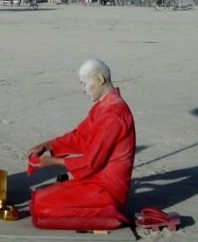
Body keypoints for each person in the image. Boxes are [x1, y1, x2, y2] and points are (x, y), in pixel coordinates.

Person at [27, 59, 135, 229]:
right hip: (95, 181)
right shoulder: (103, 107)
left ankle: (108, 213)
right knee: (37, 199)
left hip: (107, 189)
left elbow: (92, 162)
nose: (83, 90)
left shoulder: (114, 115)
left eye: (85, 84)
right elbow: (80, 137)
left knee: (43, 208)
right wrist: (47, 145)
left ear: (100, 80)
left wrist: (51, 162)